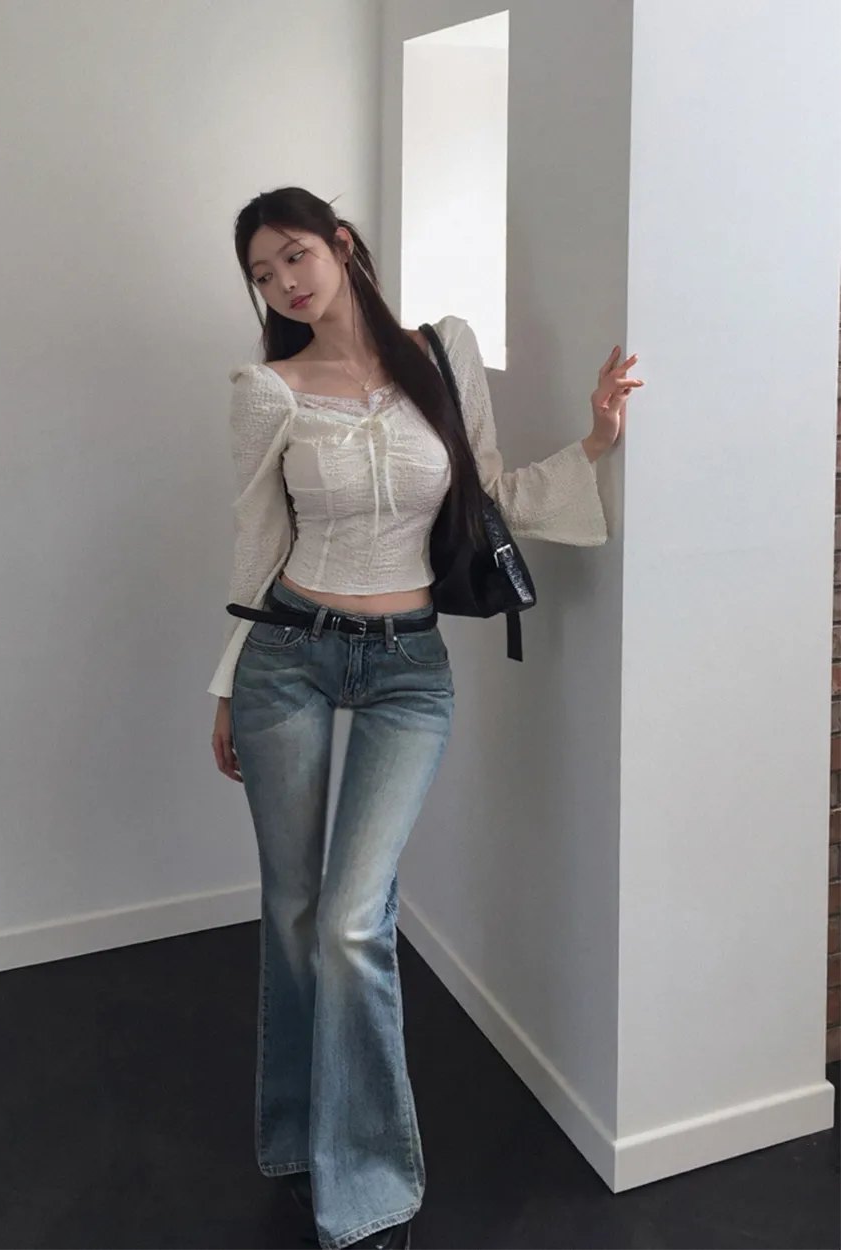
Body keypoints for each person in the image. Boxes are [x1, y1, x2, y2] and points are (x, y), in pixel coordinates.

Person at [208, 186, 643, 1250]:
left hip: (408, 668)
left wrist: (593, 444)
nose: (284, 283)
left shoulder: (442, 352)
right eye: (262, 274)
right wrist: (224, 684)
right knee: (295, 909)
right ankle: (298, 1138)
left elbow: (483, 497)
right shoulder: (267, 391)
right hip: (286, 659)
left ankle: (363, 1184)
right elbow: (255, 548)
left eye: (294, 254)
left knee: (352, 918)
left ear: (342, 243)